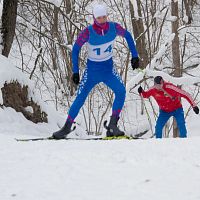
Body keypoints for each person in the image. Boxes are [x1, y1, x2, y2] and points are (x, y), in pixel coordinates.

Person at [53, 4, 139, 139]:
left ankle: (113, 124)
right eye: (99, 17)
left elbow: (128, 36)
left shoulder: (113, 27)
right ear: (94, 18)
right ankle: (66, 127)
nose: (102, 20)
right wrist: (75, 71)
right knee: (80, 97)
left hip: (108, 70)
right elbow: (75, 49)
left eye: (104, 16)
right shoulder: (88, 32)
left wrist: (135, 55)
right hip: (92, 72)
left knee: (121, 91)